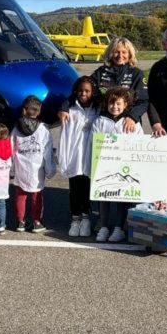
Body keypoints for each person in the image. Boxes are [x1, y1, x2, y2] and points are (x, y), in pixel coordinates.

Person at [57, 36, 148, 133]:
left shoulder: (137, 74)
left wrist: (132, 116)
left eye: (124, 52)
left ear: (130, 54)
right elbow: (84, 90)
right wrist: (65, 107)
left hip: (127, 124)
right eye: (116, 52)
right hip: (103, 124)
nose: (120, 55)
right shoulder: (101, 72)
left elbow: (144, 100)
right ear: (111, 53)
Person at [91, 87, 143, 242]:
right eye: (111, 103)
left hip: (124, 167)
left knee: (121, 198)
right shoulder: (100, 121)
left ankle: (119, 227)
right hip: (104, 167)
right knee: (104, 198)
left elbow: (139, 144)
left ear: (126, 104)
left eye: (119, 104)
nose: (115, 107)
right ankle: (104, 226)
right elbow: (92, 144)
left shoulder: (132, 122)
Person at [57, 76, 99, 237]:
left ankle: (86, 218)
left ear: (92, 92)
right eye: (80, 90)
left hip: (90, 156)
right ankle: (75, 218)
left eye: (87, 91)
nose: (83, 93)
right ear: (76, 91)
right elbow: (64, 136)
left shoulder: (98, 109)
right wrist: (63, 158)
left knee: (87, 189)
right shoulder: (70, 110)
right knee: (74, 189)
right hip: (75, 156)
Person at [12, 95, 55, 233]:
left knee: (21, 194)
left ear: (24, 111)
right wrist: (50, 170)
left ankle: (20, 222)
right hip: (37, 168)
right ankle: (36, 222)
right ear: (39, 111)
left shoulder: (16, 128)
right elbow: (48, 152)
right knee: (37, 195)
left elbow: (11, 149)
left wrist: (11, 170)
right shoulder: (43, 129)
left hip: (20, 167)